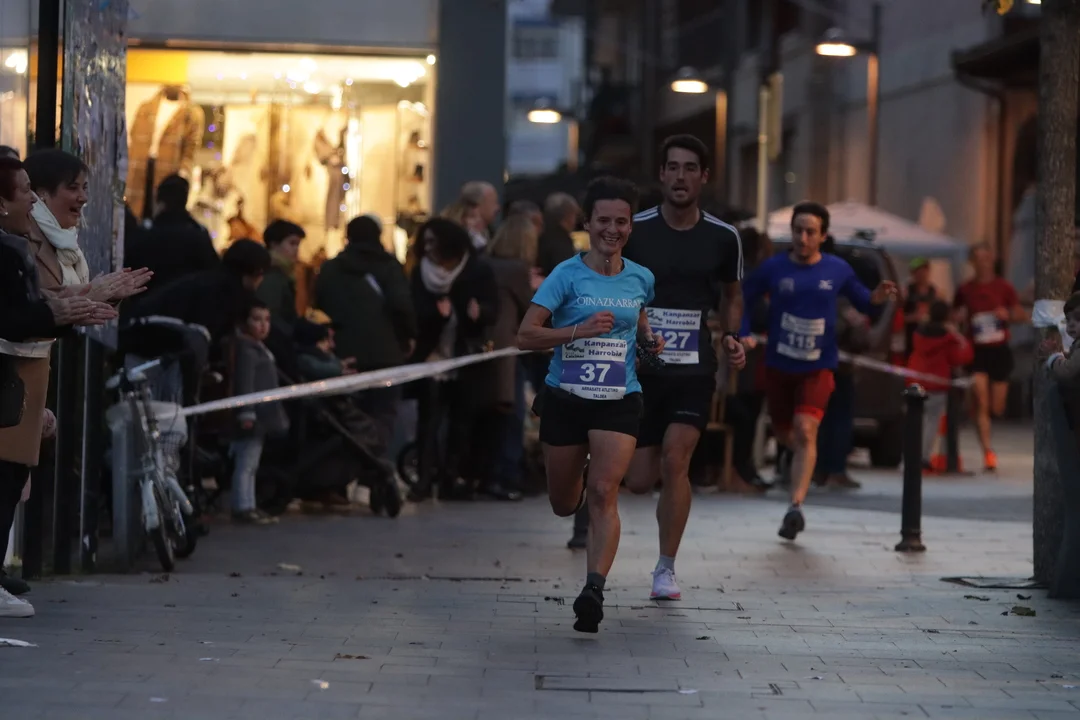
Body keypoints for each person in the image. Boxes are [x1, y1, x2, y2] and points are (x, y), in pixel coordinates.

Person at [517, 176, 662, 633]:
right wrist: (577, 331)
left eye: (621, 222)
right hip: (566, 397)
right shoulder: (565, 274)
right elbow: (525, 335)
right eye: (603, 220)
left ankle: (593, 590)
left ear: (630, 226)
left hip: (619, 397)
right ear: (587, 222)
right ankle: (574, 480)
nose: (612, 230)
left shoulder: (641, 277)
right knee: (564, 503)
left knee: (604, 490)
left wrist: (650, 342)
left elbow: (640, 322)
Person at [618, 135, 746, 601]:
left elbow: (733, 295)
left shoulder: (723, 237)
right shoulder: (637, 230)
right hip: (642, 365)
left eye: (690, 168)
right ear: (661, 175)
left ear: (704, 177)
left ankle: (665, 568)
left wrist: (731, 335)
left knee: (677, 460)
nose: (680, 176)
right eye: (672, 167)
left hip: (693, 368)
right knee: (637, 482)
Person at [741, 202, 897, 541]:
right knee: (785, 434)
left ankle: (795, 506)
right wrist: (742, 332)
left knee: (806, 429)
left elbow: (864, 301)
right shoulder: (774, 268)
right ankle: (795, 458)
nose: (803, 238)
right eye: (798, 230)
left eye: (810, 232)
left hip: (818, 366)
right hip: (780, 365)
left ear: (822, 236)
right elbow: (743, 298)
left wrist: (877, 296)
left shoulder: (837, 269)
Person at [0, 156, 116, 614]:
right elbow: (21, 312)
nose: (83, 198)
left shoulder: (29, 244)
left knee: (12, 478)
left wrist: (81, 300)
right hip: (14, 370)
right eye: (74, 187)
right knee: (7, 476)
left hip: (26, 371)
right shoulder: (16, 247)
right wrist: (66, 308)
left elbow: (38, 303)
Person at [409, 217, 498, 501]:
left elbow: (493, 308)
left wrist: (479, 312)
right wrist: (438, 316)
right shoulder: (420, 273)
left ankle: (451, 478)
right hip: (433, 356)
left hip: (465, 355)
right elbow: (415, 312)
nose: (428, 248)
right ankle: (424, 479)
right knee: (429, 421)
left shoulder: (477, 270)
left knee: (461, 421)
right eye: (425, 242)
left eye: (433, 241)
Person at [316, 214, 416, 465]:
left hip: (343, 355)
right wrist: (408, 337)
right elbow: (402, 306)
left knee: (348, 418)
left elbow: (320, 307)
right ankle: (376, 468)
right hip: (386, 354)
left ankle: (347, 471)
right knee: (383, 415)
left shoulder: (331, 269)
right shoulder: (390, 267)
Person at [23, 149, 151, 301]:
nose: (83, 198)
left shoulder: (67, 242)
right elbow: (32, 305)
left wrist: (107, 294)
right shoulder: (23, 241)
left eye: (84, 188)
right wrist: (91, 295)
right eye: (73, 188)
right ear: (42, 193)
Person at [481, 212, 541, 502]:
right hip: (509, 350)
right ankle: (506, 476)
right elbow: (532, 308)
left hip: (486, 348)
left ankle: (488, 475)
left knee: (492, 417)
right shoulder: (517, 270)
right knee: (513, 414)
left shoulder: (486, 263)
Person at [952, 243, 1026, 471]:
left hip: (999, 350)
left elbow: (1020, 315)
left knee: (997, 407)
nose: (982, 263)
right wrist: (958, 318)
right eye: (977, 258)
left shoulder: (1004, 287)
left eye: (986, 258)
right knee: (981, 402)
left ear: (992, 260)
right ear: (972, 262)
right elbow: (953, 315)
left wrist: (1007, 314)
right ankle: (987, 452)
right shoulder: (965, 289)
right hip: (977, 351)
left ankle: (984, 419)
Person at [229, 297, 289, 525]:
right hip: (254, 416)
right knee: (246, 462)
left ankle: (248, 504)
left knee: (251, 462)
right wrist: (247, 412)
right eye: (257, 319)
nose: (263, 325)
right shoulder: (247, 350)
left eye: (267, 320)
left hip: (262, 416)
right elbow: (245, 383)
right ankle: (243, 506)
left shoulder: (258, 348)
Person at [125, 174, 219, 297]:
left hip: (148, 303)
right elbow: (212, 275)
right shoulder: (199, 234)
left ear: (160, 201)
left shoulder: (147, 234)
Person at [908, 300, 973, 471]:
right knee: (932, 421)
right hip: (937, 383)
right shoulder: (948, 337)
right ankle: (923, 457)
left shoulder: (918, 333)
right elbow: (962, 356)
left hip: (916, 380)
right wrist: (958, 335)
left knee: (916, 420)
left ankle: (910, 455)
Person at [538, 192, 580, 278]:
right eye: (575, 215)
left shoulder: (540, 235)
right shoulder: (562, 242)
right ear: (568, 215)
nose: (575, 221)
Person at [904, 257, 938, 358]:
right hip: (912, 341)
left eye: (923, 271)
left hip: (930, 340)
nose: (921, 274)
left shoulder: (934, 292)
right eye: (917, 271)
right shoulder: (907, 292)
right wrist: (913, 317)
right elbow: (898, 318)